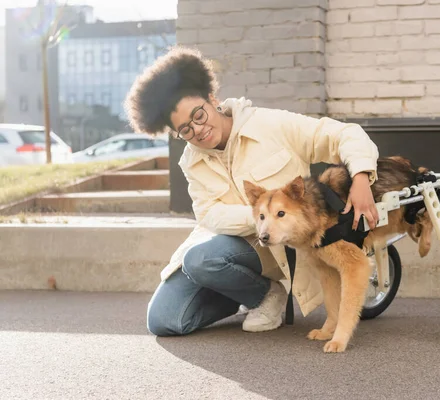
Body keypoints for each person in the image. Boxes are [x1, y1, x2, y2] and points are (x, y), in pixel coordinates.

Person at [124, 46, 380, 336]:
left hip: (285, 246)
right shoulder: (191, 162)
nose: (198, 130)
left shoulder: (269, 124)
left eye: (198, 115)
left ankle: (263, 297)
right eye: (185, 129)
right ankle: (259, 295)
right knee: (163, 320)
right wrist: (265, 218)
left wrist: (360, 177)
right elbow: (209, 215)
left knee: (202, 261)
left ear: (212, 99)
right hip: (227, 249)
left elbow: (344, 134)